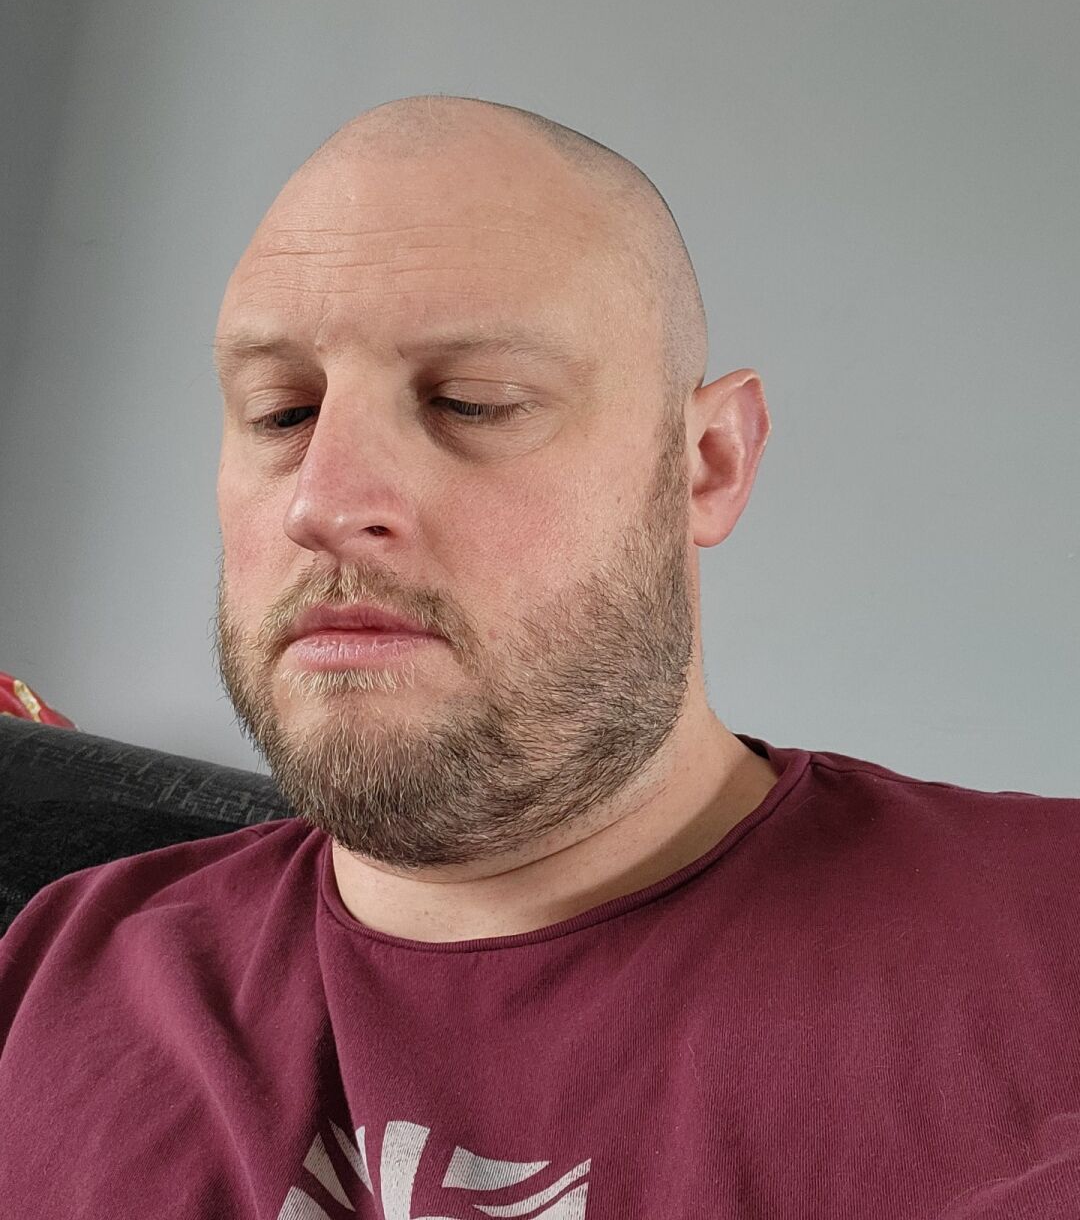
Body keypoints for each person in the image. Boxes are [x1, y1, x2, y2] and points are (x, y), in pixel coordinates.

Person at [1, 94, 1077, 1218]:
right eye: (282, 413)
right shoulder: (62, 972)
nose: (323, 503)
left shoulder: (1053, 942)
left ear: (709, 463)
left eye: (474, 403)